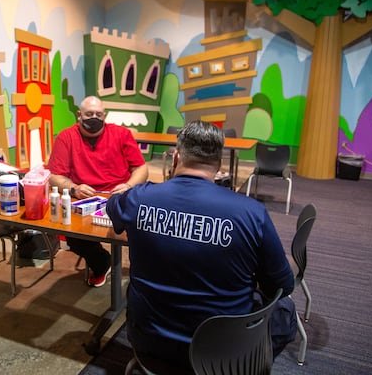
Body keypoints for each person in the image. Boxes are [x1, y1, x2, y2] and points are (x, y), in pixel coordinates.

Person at [106, 120, 295, 369]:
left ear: (175, 158)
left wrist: (121, 194)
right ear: (219, 167)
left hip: (149, 345)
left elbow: (113, 206)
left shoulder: (138, 199)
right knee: (286, 311)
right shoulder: (252, 213)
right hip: (224, 357)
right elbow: (282, 286)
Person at [47, 95, 148, 287]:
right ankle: (102, 263)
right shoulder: (66, 137)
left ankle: (141, 274)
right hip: (83, 198)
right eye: (89, 114)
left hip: (120, 195)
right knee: (73, 234)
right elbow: (54, 175)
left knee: (139, 231)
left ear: (105, 115)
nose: (94, 117)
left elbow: (141, 168)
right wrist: (73, 188)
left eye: (98, 114)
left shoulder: (121, 134)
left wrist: (128, 186)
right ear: (79, 115)